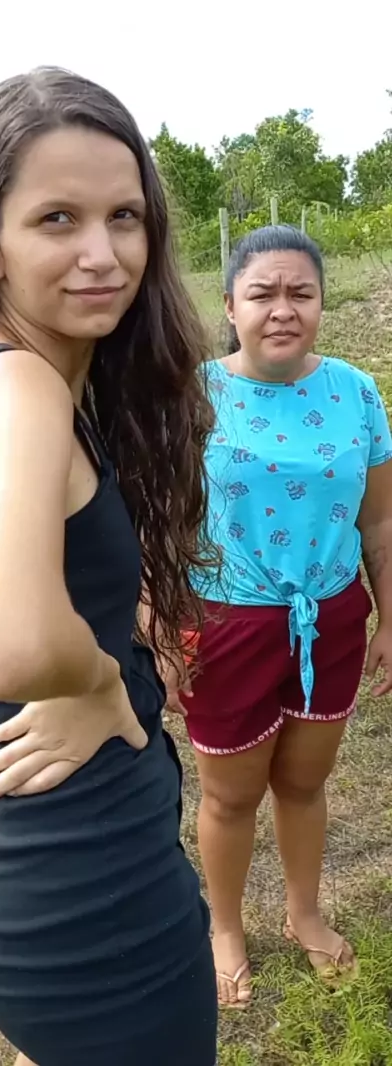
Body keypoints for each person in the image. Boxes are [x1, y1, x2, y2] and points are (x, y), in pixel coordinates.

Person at [0, 67, 221, 1066]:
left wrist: (121, 623)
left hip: (46, 876)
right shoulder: (21, 390)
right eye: (57, 218)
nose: (103, 253)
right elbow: (4, 639)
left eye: (124, 216)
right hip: (90, 904)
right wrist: (96, 682)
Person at [165, 225, 392, 1009]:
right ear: (232, 306)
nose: (283, 309)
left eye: (302, 292)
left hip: (332, 620)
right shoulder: (190, 395)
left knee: (303, 781)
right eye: (263, 293)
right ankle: (225, 929)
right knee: (230, 795)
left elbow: (379, 522)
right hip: (225, 624)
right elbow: (157, 520)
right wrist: (160, 623)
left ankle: (304, 914)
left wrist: (388, 619)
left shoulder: (357, 393)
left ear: (322, 303)